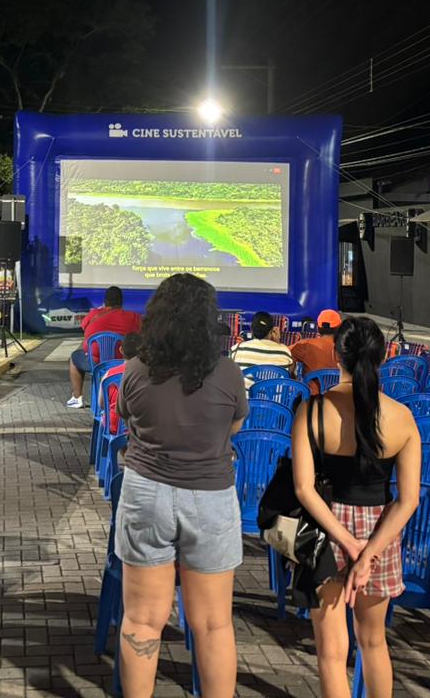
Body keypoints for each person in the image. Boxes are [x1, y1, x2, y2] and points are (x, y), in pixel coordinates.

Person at [113, 274, 246, 698]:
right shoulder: (228, 373)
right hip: (210, 498)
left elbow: (127, 419)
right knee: (213, 624)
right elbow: (235, 425)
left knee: (141, 620)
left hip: (146, 494)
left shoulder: (135, 371)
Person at [290, 316, 421, 698]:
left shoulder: (312, 411)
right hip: (380, 535)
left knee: (332, 654)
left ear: (335, 355)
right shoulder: (403, 419)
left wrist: (346, 543)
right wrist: (366, 554)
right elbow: (408, 499)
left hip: (325, 531)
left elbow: (303, 488)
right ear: (383, 357)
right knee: (374, 643)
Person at [68, 286, 141, 409]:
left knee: (74, 357)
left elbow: (84, 327)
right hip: (123, 362)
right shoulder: (133, 317)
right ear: (121, 302)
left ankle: (77, 398)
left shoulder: (94, 315)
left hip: (96, 363)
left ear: (105, 301)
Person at [230, 311, 295, 377]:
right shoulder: (284, 351)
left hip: (244, 387)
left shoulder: (237, 349)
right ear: (271, 331)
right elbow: (289, 373)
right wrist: (277, 343)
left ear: (251, 329)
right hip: (274, 387)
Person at [99, 333, 141, 435]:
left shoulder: (109, 374)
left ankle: (120, 450)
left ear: (121, 350)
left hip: (114, 424)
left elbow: (101, 404)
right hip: (139, 425)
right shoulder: (144, 374)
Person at [292, 309, 342, 374]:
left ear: (318, 328)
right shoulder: (347, 348)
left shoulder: (306, 345)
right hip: (341, 384)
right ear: (339, 328)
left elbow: (285, 353)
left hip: (310, 384)